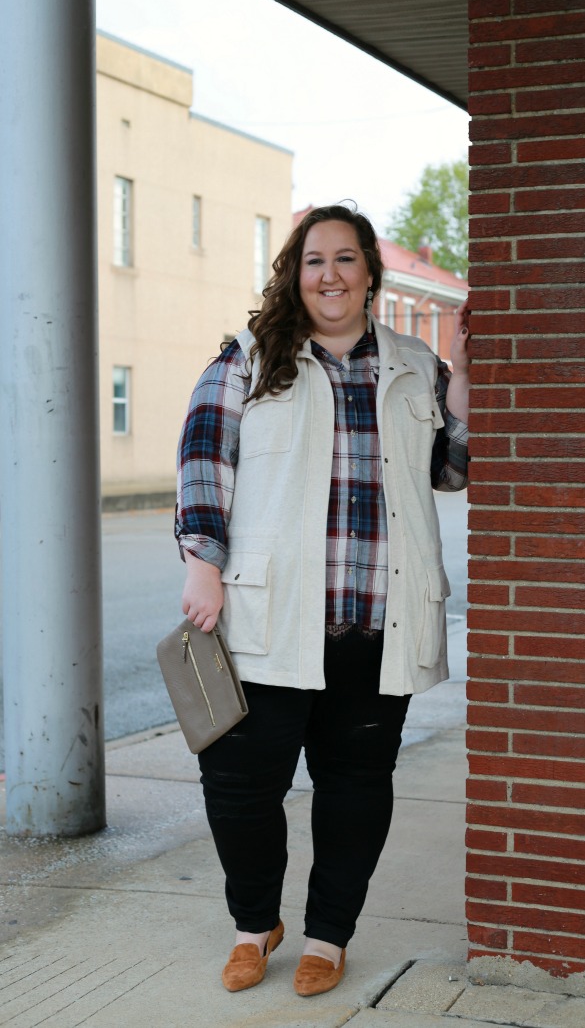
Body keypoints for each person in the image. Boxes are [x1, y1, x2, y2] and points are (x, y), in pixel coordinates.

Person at [175, 203, 469, 998]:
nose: (329, 275)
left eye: (345, 259)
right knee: (238, 788)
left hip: (378, 625)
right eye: (314, 261)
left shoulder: (417, 366)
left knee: (354, 790)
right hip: (267, 623)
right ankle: (253, 924)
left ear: (370, 271)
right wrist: (202, 561)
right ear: (294, 275)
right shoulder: (246, 359)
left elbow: (453, 469)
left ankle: (328, 937)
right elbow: (204, 460)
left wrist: (469, 380)